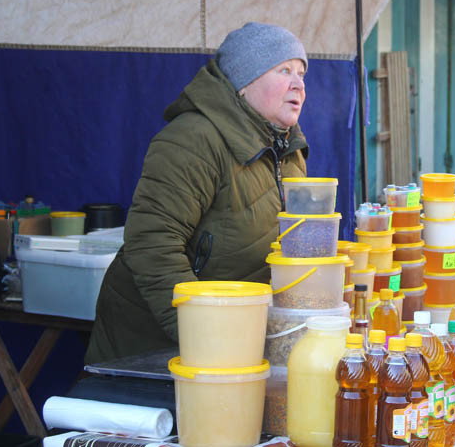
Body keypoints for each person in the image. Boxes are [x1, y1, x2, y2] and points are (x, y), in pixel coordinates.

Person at [85, 23, 309, 364]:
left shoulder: (289, 151)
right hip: (152, 346)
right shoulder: (193, 139)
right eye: (285, 70)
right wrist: (201, 338)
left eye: (302, 73)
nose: (299, 84)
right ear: (244, 83)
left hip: (233, 340)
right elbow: (152, 244)